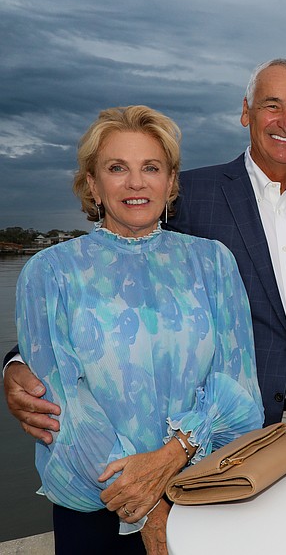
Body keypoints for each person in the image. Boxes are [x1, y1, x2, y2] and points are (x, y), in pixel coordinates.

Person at [4, 58, 286, 433]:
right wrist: (17, 362)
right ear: (246, 112)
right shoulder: (186, 196)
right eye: (271, 105)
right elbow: (112, 274)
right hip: (212, 432)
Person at [15, 105, 263, 554]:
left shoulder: (213, 262)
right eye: (117, 168)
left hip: (204, 493)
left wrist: (173, 458)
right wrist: (148, 507)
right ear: (92, 183)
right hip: (99, 506)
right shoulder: (49, 272)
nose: (135, 182)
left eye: (151, 167)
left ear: (170, 182)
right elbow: (64, 409)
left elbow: (239, 392)